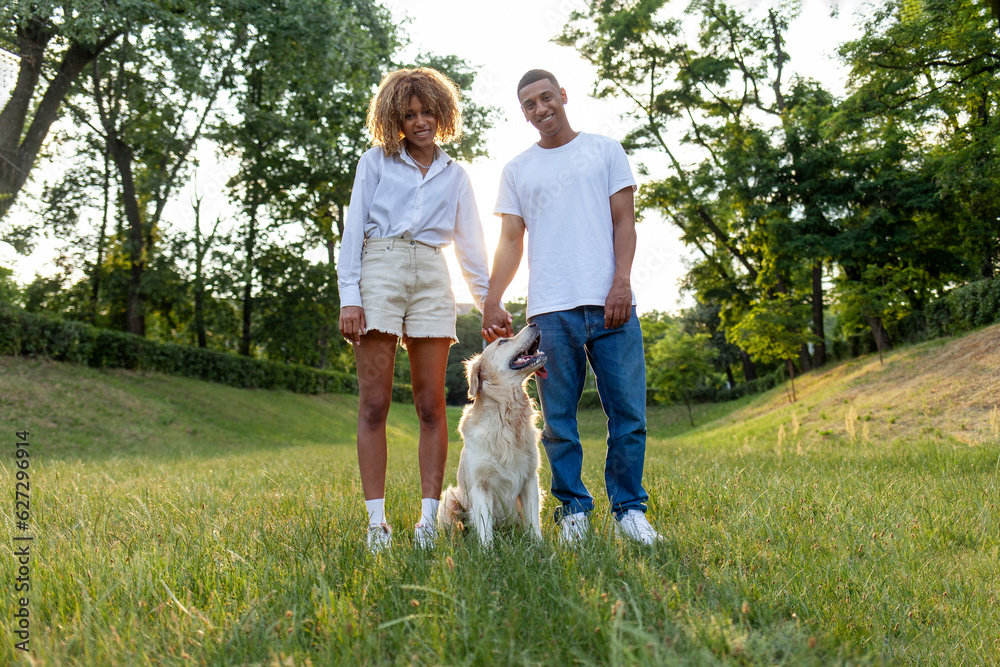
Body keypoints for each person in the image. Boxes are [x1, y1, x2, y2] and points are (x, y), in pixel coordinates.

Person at [482, 69, 662, 545]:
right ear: (523, 114)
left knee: (629, 414)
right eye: (530, 105)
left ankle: (629, 512)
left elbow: (625, 222)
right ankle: (574, 511)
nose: (541, 109)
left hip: (611, 306)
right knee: (558, 422)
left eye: (547, 98)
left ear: (563, 95)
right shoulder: (517, 170)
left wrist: (621, 283)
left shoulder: (604, 150)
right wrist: (492, 298)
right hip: (550, 313)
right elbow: (509, 239)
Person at [338, 67, 490, 554]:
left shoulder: (457, 175)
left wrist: (489, 304)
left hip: (431, 272)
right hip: (379, 267)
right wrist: (349, 296)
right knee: (375, 403)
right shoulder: (375, 163)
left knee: (430, 404)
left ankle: (428, 521)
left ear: (443, 113)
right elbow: (353, 228)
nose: (421, 122)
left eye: (428, 112)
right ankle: (376, 523)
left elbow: (470, 246)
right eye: (410, 115)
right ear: (395, 120)